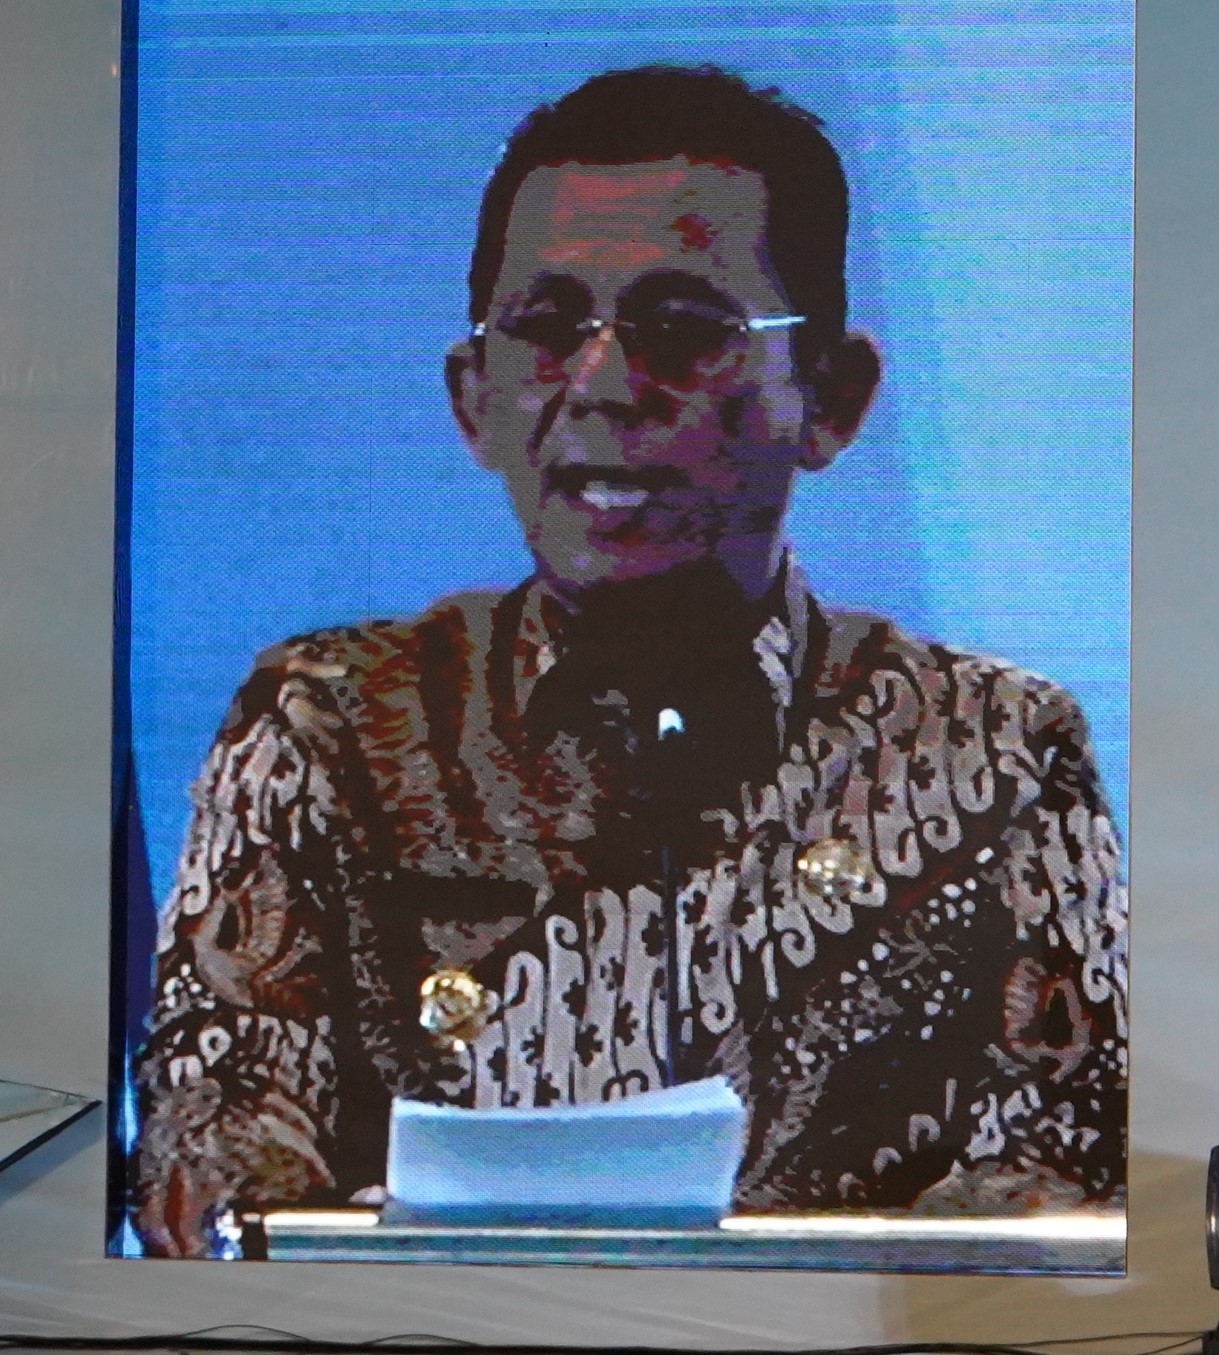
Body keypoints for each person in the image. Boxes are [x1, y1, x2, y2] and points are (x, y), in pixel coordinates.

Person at [126, 66, 1128, 1258]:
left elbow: (1063, 1171)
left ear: (833, 397)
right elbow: (218, 1134)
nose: (601, 385)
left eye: (684, 330)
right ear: (474, 398)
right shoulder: (325, 725)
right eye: (547, 331)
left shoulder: (996, 750)